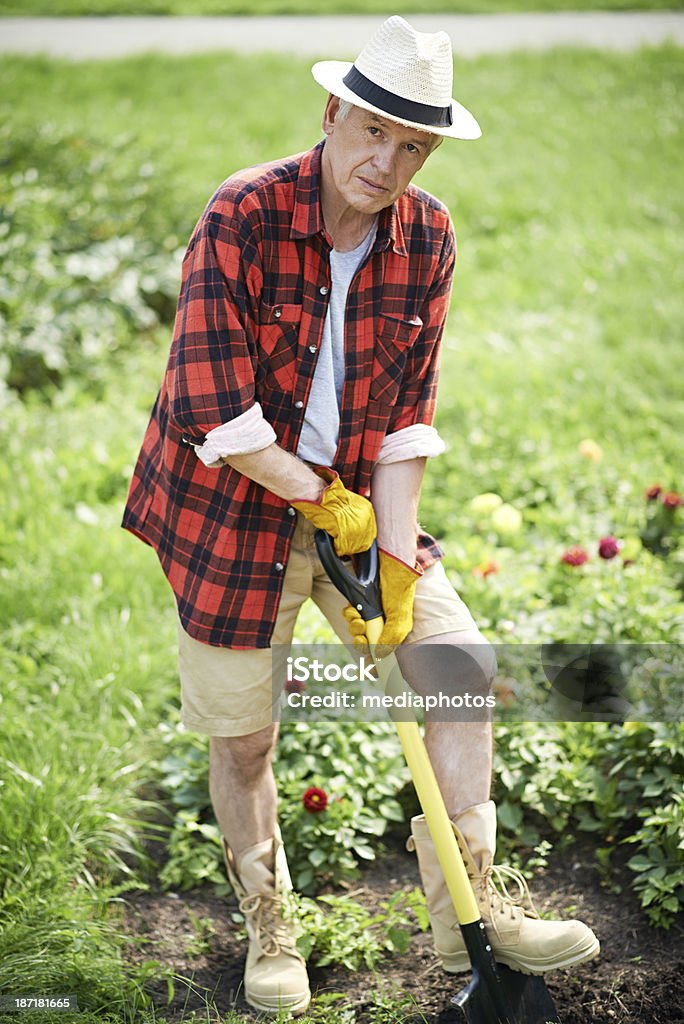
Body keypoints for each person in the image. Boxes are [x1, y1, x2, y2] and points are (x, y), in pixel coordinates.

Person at [122, 15, 599, 1017]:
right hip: (229, 510)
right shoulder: (242, 215)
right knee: (247, 739)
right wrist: (323, 501)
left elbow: (408, 419)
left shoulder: (427, 236)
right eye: (374, 130)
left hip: (350, 507)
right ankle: (270, 925)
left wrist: (388, 553)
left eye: (413, 145)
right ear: (334, 110)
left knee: (457, 669)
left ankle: (473, 910)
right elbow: (217, 410)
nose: (388, 161)